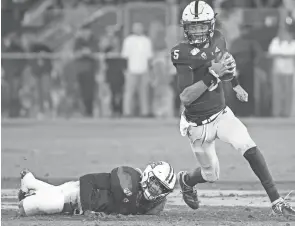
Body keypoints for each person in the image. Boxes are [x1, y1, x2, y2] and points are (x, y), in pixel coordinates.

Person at [171, 0, 295, 219]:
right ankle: (186, 181)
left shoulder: (218, 38)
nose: (198, 31)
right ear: (185, 27)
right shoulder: (181, 53)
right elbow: (186, 97)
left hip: (221, 114)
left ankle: (276, 200)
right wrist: (212, 74)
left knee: (247, 145)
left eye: (202, 26)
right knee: (211, 175)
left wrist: (235, 84)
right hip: (197, 125)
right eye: (193, 26)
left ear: (210, 25)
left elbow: (225, 65)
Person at [18, 161, 176, 217]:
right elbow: (87, 180)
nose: (156, 188)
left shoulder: (152, 204)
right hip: (76, 195)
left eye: (161, 187)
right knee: (27, 207)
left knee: (56, 195)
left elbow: (151, 210)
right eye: (156, 182)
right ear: (149, 174)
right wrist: (87, 210)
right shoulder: (128, 177)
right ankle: (29, 190)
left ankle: (29, 181)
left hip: (74, 205)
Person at [121, 22, 153, 117]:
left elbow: (149, 57)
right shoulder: (128, 40)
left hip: (144, 70)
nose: (138, 29)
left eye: (140, 28)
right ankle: (127, 112)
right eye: (136, 28)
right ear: (133, 29)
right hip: (131, 69)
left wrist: (149, 70)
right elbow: (125, 56)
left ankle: (145, 112)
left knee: (144, 92)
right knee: (129, 92)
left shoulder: (147, 40)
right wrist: (125, 70)